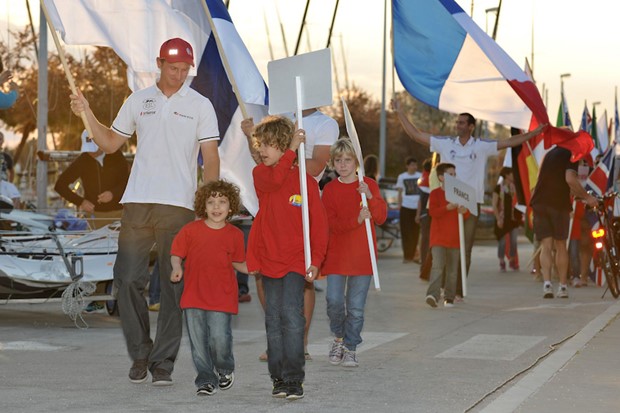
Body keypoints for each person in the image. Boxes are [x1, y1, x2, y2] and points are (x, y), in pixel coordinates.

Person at [70, 37, 220, 386]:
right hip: (137, 202)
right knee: (125, 280)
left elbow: (210, 158)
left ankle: (163, 363)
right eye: (173, 68)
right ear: (159, 63)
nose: (179, 75)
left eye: (185, 69)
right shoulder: (138, 100)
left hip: (179, 206)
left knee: (173, 288)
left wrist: (208, 202)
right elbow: (108, 142)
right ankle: (140, 352)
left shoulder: (201, 105)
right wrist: (86, 112)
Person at [392, 99, 546, 298]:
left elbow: (508, 142)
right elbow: (416, 135)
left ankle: (457, 289)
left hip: (471, 204)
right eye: (457, 122)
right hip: (448, 203)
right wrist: (400, 112)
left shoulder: (481, 146)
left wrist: (532, 134)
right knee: (444, 246)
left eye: (462, 123)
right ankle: (444, 287)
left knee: (465, 249)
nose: (458, 125)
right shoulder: (446, 143)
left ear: (471, 127)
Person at [241, 107, 338, 360]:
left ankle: (298, 348)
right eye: (259, 145)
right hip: (269, 253)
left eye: (266, 144)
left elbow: (318, 224)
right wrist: (257, 139)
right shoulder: (261, 173)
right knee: (274, 311)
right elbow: (272, 178)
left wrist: (315, 260)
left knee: (293, 307)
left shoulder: (323, 128)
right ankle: (278, 348)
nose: (261, 150)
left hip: (296, 252)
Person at [170, 180, 247, 396]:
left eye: (222, 202)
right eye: (211, 202)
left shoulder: (235, 235)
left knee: (219, 339)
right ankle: (205, 378)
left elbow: (239, 262)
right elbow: (177, 253)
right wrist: (176, 267)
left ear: (230, 207)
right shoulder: (190, 230)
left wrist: (255, 268)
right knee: (198, 341)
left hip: (222, 296)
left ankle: (224, 369)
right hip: (193, 295)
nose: (216, 207)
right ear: (203, 206)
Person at [321, 138, 387, 367]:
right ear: (332, 163)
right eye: (338, 160)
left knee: (356, 308)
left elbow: (381, 217)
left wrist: (370, 196)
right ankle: (338, 337)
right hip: (338, 255)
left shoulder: (367, 184)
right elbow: (330, 224)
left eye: (347, 160)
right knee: (334, 301)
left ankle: (350, 347)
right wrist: (356, 219)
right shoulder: (329, 190)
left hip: (362, 255)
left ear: (356, 161)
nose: (343, 164)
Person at [530, 146, 597, 299]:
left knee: (546, 245)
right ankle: (562, 286)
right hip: (558, 204)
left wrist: (575, 193)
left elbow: (547, 178)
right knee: (561, 245)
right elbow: (570, 179)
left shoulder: (549, 155)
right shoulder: (570, 154)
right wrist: (587, 197)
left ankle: (547, 284)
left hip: (540, 203)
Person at [54, 130, 129, 229]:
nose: (90, 152)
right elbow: (60, 185)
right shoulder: (82, 160)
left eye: (93, 149)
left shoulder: (117, 156)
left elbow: (127, 182)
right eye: (88, 149)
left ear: (101, 143)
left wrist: (113, 193)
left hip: (118, 214)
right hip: (94, 216)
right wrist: (81, 202)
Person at [425, 163, 469, 308]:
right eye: (450, 174)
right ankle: (433, 294)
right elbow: (432, 213)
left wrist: (464, 211)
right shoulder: (435, 193)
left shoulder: (460, 192)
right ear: (441, 177)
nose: (454, 177)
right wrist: (447, 208)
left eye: (454, 174)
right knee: (437, 266)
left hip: (455, 239)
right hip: (438, 238)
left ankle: (449, 297)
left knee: (452, 270)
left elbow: (467, 214)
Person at [492, 167, 521, 271]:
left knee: (513, 240)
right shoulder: (498, 188)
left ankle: (512, 260)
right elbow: (494, 205)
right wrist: (498, 218)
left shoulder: (515, 187)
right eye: (512, 174)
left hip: (513, 218)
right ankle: (501, 261)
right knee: (502, 241)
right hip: (502, 218)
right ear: (507, 175)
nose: (513, 176)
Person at [395, 157, 421, 263]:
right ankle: (407, 256)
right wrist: (399, 205)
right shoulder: (402, 177)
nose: (414, 167)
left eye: (415, 165)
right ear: (407, 166)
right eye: (412, 165)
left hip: (417, 207)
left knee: (415, 233)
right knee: (406, 232)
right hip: (406, 207)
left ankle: (414, 254)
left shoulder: (420, 176)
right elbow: (400, 192)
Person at [417, 158, 433, 279]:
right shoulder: (434, 179)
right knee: (432, 242)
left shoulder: (422, 179)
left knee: (424, 241)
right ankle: (428, 267)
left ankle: (423, 267)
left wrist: (417, 214)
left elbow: (419, 200)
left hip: (424, 214)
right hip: (433, 214)